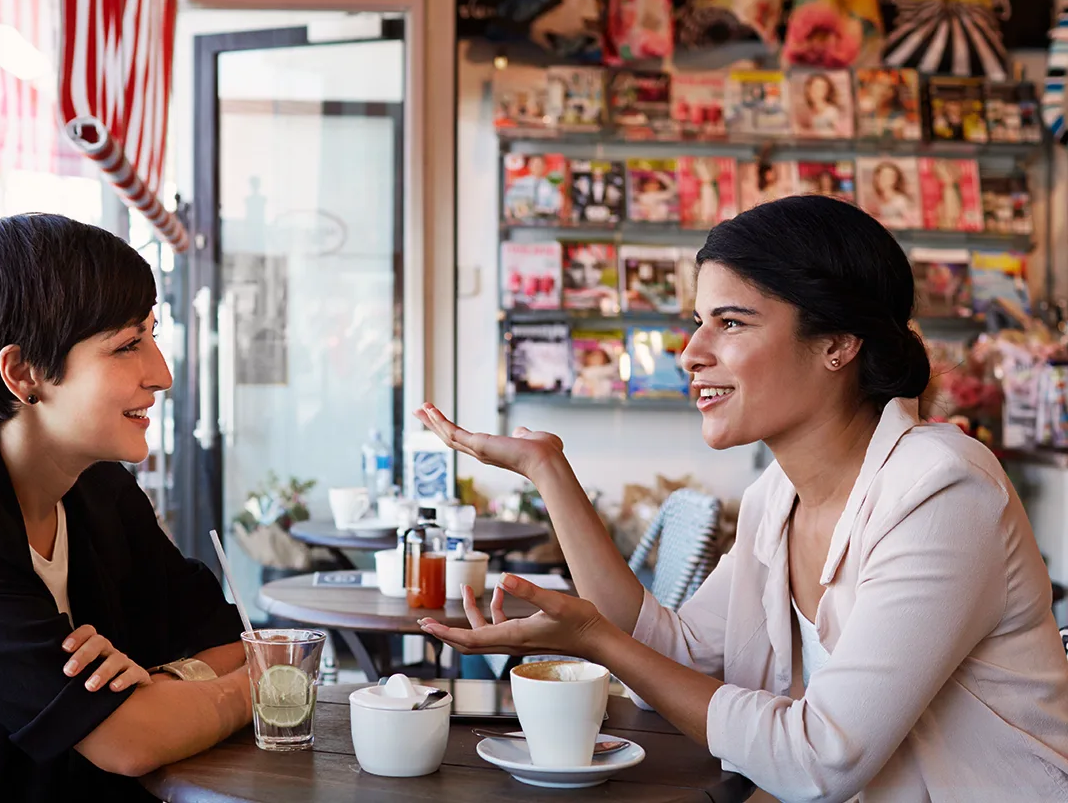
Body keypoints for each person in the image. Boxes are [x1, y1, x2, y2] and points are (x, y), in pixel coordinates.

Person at [414, 196, 1068, 802]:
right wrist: (549, 471)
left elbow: (820, 759)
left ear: (838, 344)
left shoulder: (941, 490)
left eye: (730, 322)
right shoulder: (776, 495)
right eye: (698, 323)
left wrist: (597, 641)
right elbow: (675, 652)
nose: (691, 353)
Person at [0, 214, 251, 802]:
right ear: (23, 374)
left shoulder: (98, 486)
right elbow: (129, 742)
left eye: (151, 334)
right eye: (127, 346)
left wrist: (167, 684)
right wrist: (261, 687)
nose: (162, 374)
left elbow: (228, 641)